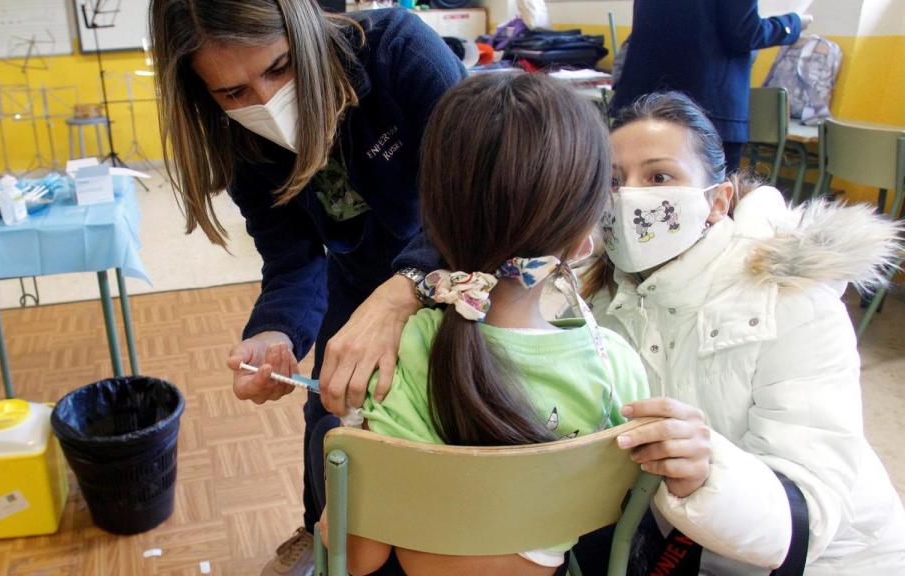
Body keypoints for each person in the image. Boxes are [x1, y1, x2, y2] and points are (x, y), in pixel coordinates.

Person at [148, 2, 464, 574]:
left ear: (303, 31)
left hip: (459, 267)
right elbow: (293, 262)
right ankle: (324, 530)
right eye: (232, 93)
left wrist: (402, 293)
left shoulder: (398, 50)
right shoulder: (241, 144)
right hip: (359, 274)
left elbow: (475, 197)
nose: (265, 102)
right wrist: (274, 331)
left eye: (279, 67)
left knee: (437, 415)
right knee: (328, 410)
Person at [315, 72, 651, 576]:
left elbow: (360, 559)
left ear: (434, 221)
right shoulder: (617, 373)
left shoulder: (400, 358)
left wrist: (329, 516)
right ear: (583, 240)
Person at [573, 91, 905, 574]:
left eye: (659, 176)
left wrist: (708, 472)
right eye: (615, 181)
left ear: (718, 200)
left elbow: (808, 515)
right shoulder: (601, 300)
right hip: (694, 551)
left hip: (831, 559)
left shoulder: (791, 300)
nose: (630, 199)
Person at [611, 0, 812, 170]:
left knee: (633, 190)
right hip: (708, 101)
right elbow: (744, 32)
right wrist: (793, 23)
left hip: (644, 94)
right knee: (708, 201)